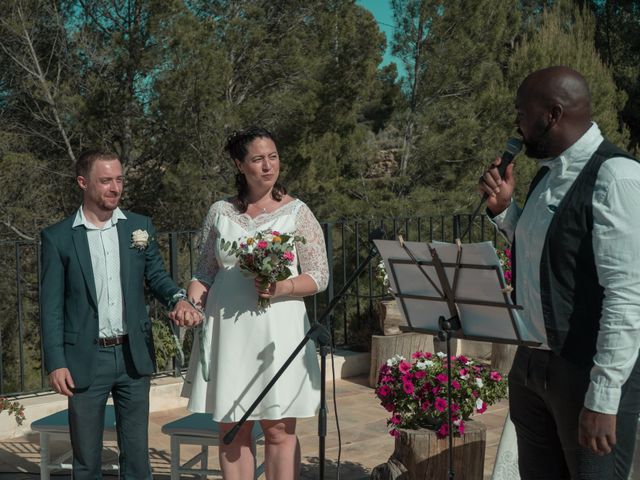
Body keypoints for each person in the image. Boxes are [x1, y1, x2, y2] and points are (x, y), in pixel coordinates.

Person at [479, 66, 640, 479]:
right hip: (532, 367)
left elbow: (627, 294)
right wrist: (504, 211)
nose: (517, 124)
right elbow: (547, 255)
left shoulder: (616, 177)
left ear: (552, 114)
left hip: (583, 372)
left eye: (521, 113)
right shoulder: (550, 174)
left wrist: (604, 397)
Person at [40, 149, 202, 479]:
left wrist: (179, 300)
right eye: (105, 181)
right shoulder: (58, 238)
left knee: (137, 457)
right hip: (86, 358)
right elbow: (51, 306)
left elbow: (156, 276)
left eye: (119, 179)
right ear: (83, 183)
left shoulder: (139, 228)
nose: (115, 188)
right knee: (86, 460)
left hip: (133, 355)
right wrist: (56, 362)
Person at [181, 126, 329, 479]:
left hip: (278, 333)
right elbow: (204, 272)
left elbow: (319, 275)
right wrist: (190, 303)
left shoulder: (298, 213)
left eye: (273, 157)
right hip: (228, 335)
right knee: (233, 429)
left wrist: (281, 287)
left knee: (278, 429)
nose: (268, 166)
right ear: (239, 164)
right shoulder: (220, 212)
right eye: (258, 159)